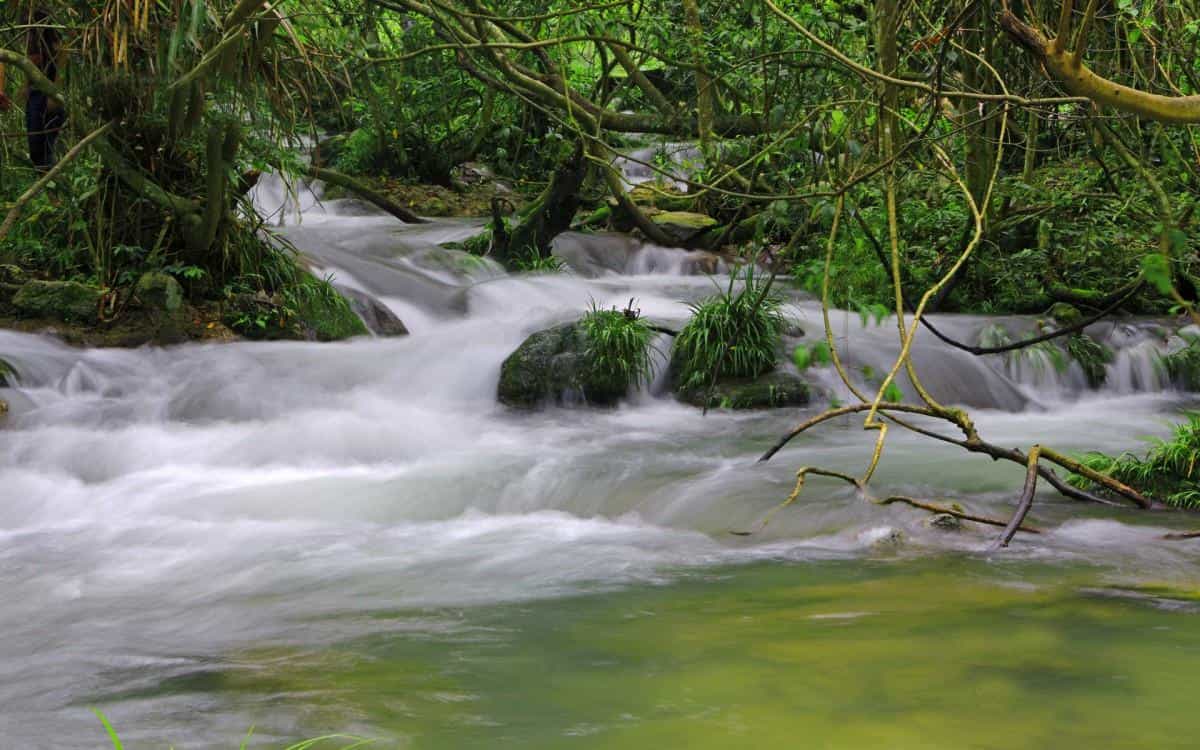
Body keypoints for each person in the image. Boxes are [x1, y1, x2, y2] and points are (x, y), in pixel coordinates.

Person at [0, 10, 66, 172]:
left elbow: (62, 66)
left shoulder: (55, 40)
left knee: (46, 148)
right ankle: (52, 191)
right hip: (35, 95)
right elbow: (30, 67)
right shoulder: (32, 41)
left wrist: (54, 93)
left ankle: (54, 187)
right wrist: (25, 87)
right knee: (36, 147)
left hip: (50, 94)